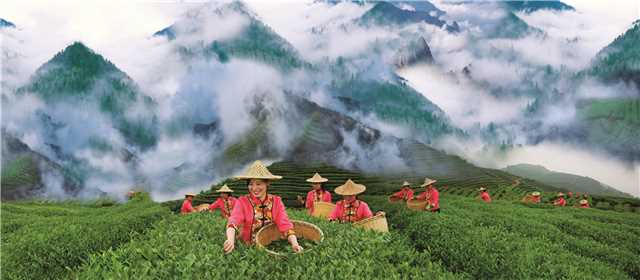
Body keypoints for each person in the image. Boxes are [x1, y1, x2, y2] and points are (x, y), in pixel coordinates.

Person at [223, 161, 302, 254]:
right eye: (251, 184)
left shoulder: (276, 201)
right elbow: (233, 221)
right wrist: (230, 240)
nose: (254, 188)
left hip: (270, 245)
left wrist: (295, 243)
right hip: (247, 247)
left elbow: (284, 223)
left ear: (267, 183)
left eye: (258, 184)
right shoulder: (242, 201)